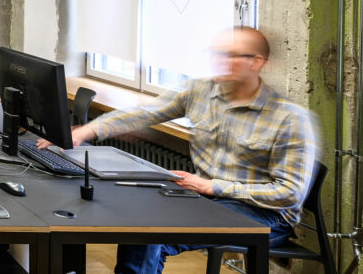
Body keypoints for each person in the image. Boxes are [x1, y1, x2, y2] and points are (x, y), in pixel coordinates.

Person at [41, 26, 317, 274]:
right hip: (207, 197)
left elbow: (289, 194)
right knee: (137, 218)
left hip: (264, 214)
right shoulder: (200, 90)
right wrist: (85, 132)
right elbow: (144, 113)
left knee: (155, 231)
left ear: (257, 62)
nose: (220, 61)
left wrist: (212, 186)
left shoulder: (289, 118)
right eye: (217, 54)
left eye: (231, 56)